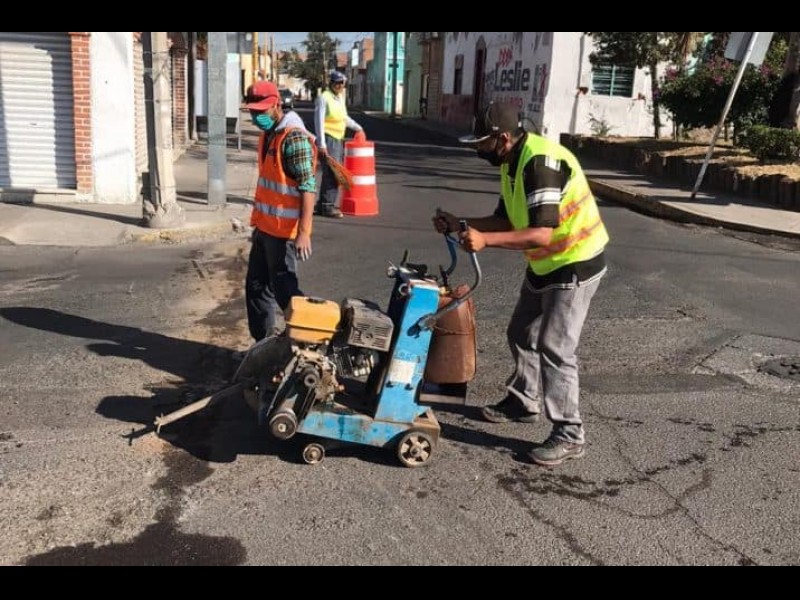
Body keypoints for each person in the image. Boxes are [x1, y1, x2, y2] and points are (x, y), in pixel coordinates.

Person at [433, 101, 609, 467]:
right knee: (520, 332)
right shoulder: (512, 163)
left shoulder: (539, 164)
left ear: (502, 139)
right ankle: (524, 400)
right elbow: (506, 220)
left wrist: (485, 241)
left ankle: (570, 433)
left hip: (574, 263)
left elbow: (541, 233)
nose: (478, 150)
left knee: (556, 348)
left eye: (482, 143)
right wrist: (462, 224)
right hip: (546, 264)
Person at [244, 80, 318, 342]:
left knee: (286, 292)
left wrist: (304, 232)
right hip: (265, 228)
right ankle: (262, 349)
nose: (256, 117)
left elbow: (308, 186)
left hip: (284, 233)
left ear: (276, 105)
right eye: (252, 112)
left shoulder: (293, 138)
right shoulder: (269, 134)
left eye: (261, 112)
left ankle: (309, 342)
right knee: (256, 288)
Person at [314, 70, 364, 218]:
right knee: (333, 173)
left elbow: (344, 118)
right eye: (337, 83)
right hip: (328, 139)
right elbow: (319, 121)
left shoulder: (339, 98)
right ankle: (328, 206)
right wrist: (321, 144)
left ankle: (323, 204)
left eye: (342, 83)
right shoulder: (324, 98)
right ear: (331, 83)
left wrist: (358, 127)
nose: (340, 85)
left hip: (338, 139)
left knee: (330, 173)